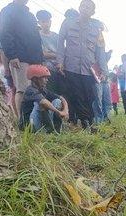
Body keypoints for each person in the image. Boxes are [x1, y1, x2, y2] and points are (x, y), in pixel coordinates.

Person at [57, 0, 105, 129]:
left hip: (89, 69)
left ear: (93, 12)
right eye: (83, 6)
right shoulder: (68, 23)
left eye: (88, 7)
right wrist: (60, 61)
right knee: (75, 94)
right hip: (71, 67)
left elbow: (101, 50)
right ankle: (84, 122)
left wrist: (103, 70)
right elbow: (60, 43)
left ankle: (88, 119)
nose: (85, 9)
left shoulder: (97, 28)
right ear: (79, 8)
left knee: (89, 96)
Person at [0, 0, 44, 120]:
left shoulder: (29, 15)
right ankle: (22, 121)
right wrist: (12, 55)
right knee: (23, 89)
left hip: (35, 58)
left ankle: (37, 121)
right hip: (20, 58)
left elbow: (36, 37)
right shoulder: (7, 11)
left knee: (38, 90)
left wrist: (40, 59)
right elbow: (5, 34)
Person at [20, 64, 69, 132]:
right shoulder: (30, 90)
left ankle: (55, 130)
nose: (47, 80)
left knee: (57, 101)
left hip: (39, 123)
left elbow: (62, 98)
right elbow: (43, 102)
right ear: (35, 79)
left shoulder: (43, 90)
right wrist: (59, 112)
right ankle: (49, 130)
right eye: (44, 78)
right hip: (28, 125)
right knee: (41, 104)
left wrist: (65, 111)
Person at [35, 10, 63, 96]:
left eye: (47, 21)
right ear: (39, 22)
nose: (46, 24)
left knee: (61, 94)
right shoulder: (37, 36)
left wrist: (51, 54)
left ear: (50, 22)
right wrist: (56, 55)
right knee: (49, 94)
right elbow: (42, 54)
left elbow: (63, 53)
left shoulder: (57, 36)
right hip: (45, 70)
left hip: (59, 69)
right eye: (43, 22)